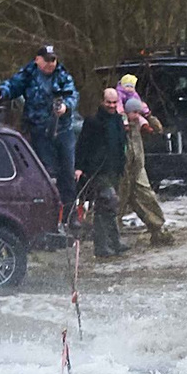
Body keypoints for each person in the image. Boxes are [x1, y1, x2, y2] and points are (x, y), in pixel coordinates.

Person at [0, 45, 79, 212]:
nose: (51, 64)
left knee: (67, 173)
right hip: (38, 129)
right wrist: (1, 93)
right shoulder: (28, 74)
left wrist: (65, 107)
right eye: (47, 60)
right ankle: (49, 212)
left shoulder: (63, 75)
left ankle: (70, 214)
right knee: (46, 171)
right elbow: (12, 86)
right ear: (37, 60)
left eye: (53, 60)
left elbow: (72, 95)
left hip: (63, 129)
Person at [73, 86, 130, 258]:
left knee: (110, 207)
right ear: (102, 102)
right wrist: (79, 167)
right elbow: (82, 145)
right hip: (97, 170)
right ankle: (101, 246)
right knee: (106, 202)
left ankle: (114, 242)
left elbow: (121, 144)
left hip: (115, 170)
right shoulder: (92, 122)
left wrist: (123, 164)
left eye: (114, 102)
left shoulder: (118, 120)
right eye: (108, 102)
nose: (112, 106)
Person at [114, 75, 169, 245]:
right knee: (117, 202)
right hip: (121, 169)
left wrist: (149, 116)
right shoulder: (117, 125)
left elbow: (157, 128)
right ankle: (111, 238)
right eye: (134, 112)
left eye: (138, 112)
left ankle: (159, 231)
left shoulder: (138, 125)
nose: (136, 115)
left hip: (138, 168)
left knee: (147, 198)